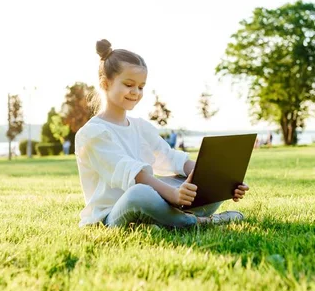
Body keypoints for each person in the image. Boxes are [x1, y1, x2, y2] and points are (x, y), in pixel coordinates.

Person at [74, 39, 249, 229]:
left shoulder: (140, 126)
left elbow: (170, 158)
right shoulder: (92, 133)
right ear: (105, 83)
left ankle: (156, 221)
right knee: (140, 192)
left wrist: (221, 180)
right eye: (129, 84)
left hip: (148, 202)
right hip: (109, 216)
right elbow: (134, 174)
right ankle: (197, 222)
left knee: (195, 183)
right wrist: (173, 195)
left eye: (141, 87)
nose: (136, 92)